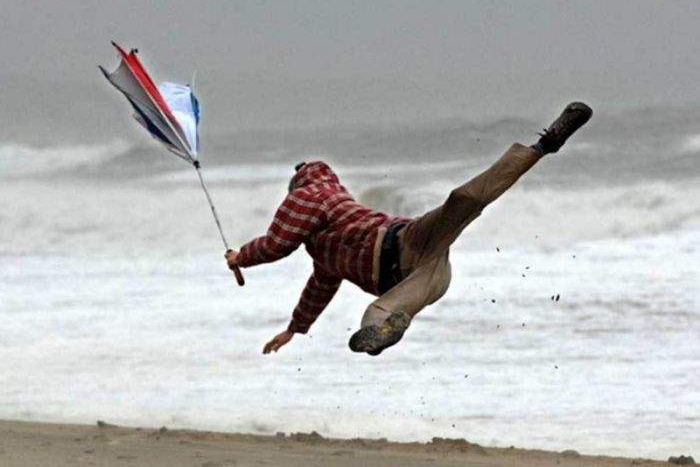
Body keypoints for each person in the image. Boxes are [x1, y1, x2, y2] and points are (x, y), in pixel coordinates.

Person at [225, 102, 593, 356]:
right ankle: (540, 147)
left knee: (460, 203)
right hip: (428, 270)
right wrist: (295, 328)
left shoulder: (311, 194)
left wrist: (241, 257)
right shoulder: (324, 252)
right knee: (462, 203)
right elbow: (318, 290)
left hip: (406, 243)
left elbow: (277, 244)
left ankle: (544, 144)